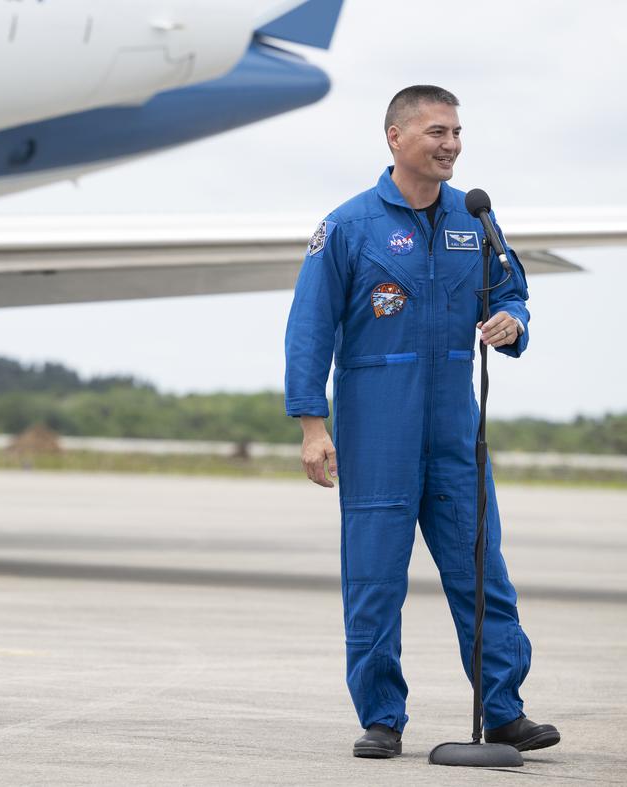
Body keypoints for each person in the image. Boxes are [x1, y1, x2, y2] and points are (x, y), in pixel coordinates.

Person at [284, 85, 560, 758]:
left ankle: (502, 709)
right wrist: (311, 425)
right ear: (396, 138)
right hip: (377, 426)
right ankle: (382, 716)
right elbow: (308, 330)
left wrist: (511, 320)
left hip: (455, 428)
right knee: (375, 577)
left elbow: (513, 290)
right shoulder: (349, 226)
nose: (451, 145)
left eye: (458, 133)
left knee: (481, 570)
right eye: (437, 131)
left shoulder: (475, 221)